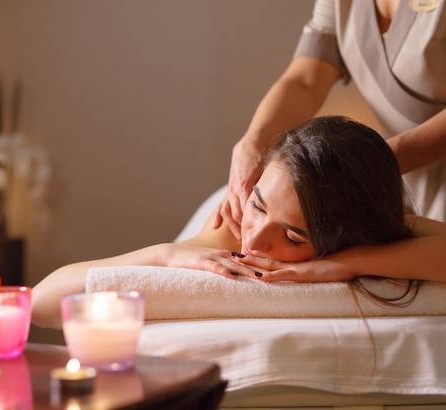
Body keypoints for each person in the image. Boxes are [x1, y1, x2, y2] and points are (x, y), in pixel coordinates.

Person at [32, 116, 446, 329]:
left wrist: (349, 263)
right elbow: (42, 303)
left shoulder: (373, 232)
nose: (256, 242)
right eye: (260, 206)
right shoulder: (230, 230)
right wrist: (166, 254)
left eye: (292, 235)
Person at [216, 0, 446, 243]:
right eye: (258, 207)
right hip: (393, 177)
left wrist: (361, 168)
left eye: (293, 237)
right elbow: (304, 82)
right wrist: (252, 144)